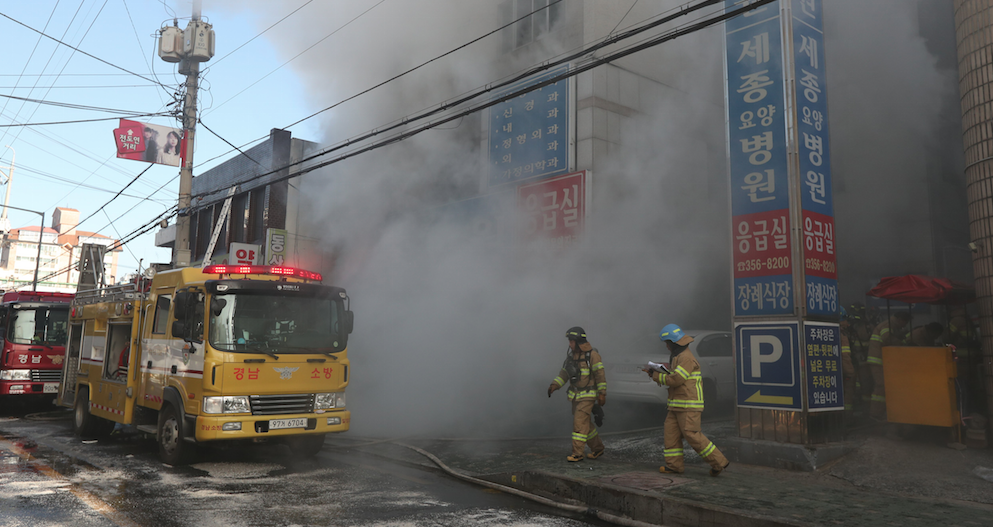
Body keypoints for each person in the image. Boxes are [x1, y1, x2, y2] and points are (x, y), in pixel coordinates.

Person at [643, 324, 729, 476]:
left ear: (674, 342)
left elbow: (676, 379)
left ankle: (719, 462)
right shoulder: (678, 356)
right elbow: (676, 377)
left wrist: (656, 375)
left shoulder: (686, 358)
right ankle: (674, 466)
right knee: (671, 435)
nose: (666, 347)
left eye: (667, 343)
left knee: (692, 435)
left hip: (689, 406)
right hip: (676, 405)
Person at [547, 326, 606, 462]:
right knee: (586, 424)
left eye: (571, 341)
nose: (569, 344)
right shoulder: (571, 357)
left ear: (578, 341)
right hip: (575, 396)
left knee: (579, 423)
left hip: (588, 396)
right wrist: (554, 385)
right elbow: (564, 374)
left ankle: (577, 453)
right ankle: (598, 448)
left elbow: (600, 375)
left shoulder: (592, 356)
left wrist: (602, 393)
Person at [866, 311, 911, 420]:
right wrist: (901, 343)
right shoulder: (888, 325)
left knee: (884, 386)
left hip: (882, 361)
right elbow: (886, 338)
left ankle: (880, 412)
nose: (905, 325)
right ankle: (875, 414)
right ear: (900, 319)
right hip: (877, 360)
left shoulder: (891, 325)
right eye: (905, 322)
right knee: (881, 385)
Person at [839, 309, 856, 423]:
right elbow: (845, 355)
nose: (847, 323)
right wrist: (850, 372)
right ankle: (847, 419)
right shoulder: (842, 335)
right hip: (844, 371)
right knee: (848, 394)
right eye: (845, 319)